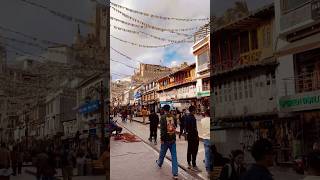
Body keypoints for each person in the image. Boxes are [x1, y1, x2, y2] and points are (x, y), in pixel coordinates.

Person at [156, 105, 179, 179]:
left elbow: (162, 130)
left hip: (165, 139)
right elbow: (175, 126)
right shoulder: (174, 117)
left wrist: (162, 139)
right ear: (169, 109)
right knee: (174, 156)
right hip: (172, 139)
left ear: (164, 110)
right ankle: (175, 173)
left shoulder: (162, 117)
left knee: (162, 153)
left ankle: (159, 163)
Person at [185, 105, 200, 171]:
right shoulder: (192, 118)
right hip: (193, 136)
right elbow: (194, 128)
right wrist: (197, 136)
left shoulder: (187, 117)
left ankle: (189, 163)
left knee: (189, 149)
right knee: (194, 150)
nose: (195, 111)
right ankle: (194, 164)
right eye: (195, 110)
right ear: (193, 110)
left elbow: (186, 127)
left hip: (189, 136)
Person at [201, 109, 212, 177]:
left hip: (205, 139)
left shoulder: (202, 120)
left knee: (207, 156)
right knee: (212, 155)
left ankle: (208, 171)